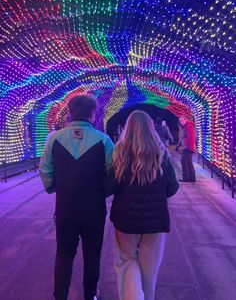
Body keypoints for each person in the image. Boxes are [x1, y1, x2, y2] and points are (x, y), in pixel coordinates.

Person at [39, 95, 114, 300]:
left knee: (64, 253)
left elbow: (45, 170)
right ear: (92, 114)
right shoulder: (104, 140)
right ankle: (90, 295)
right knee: (92, 254)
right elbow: (114, 173)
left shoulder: (54, 139)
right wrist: (102, 191)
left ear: (70, 113)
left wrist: (57, 187)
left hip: (65, 208)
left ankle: (60, 296)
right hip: (94, 210)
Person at [105, 110, 179, 300]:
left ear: (127, 128)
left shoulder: (119, 151)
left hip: (126, 219)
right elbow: (172, 187)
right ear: (150, 128)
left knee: (126, 261)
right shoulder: (160, 152)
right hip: (155, 221)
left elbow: (109, 187)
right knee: (150, 268)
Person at [178, 116, 196, 182]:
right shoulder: (186, 127)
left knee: (184, 162)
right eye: (180, 121)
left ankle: (186, 178)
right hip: (187, 147)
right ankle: (192, 178)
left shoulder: (188, 126)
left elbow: (191, 137)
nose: (181, 122)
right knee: (189, 162)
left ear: (186, 120)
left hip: (188, 147)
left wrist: (191, 148)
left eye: (182, 120)